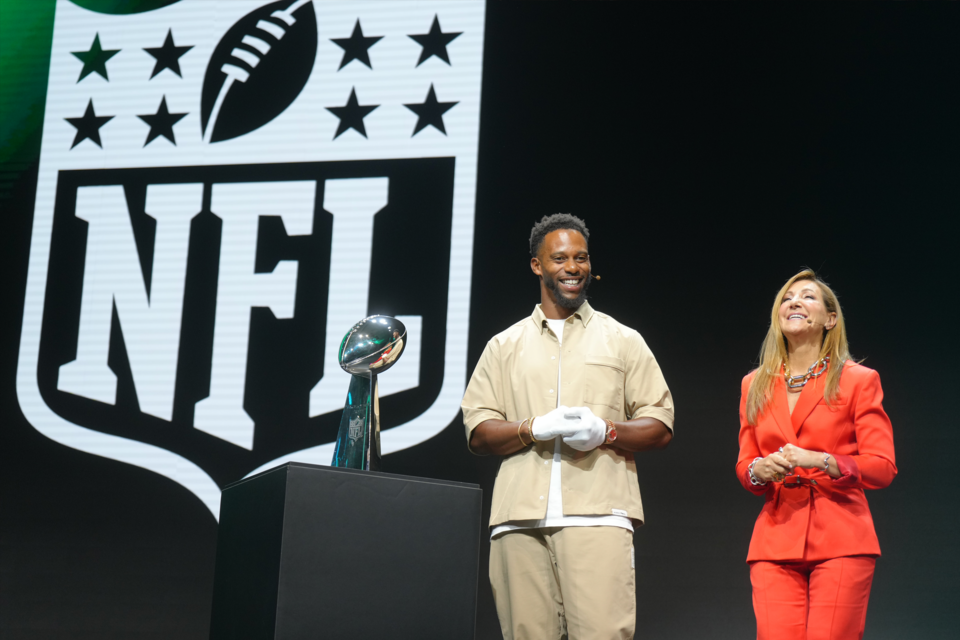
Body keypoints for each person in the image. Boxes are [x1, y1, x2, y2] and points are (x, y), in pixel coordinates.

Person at [461, 214, 674, 640]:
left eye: (580, 258)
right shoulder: (504, 345)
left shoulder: (622, 340)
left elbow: (661, 424)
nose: (572, 268)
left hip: (597, 515)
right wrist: (531, 428)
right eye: (559, 258)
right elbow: (478, 431)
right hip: (518, 519)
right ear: (537, 266)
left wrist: (606, 431)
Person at [736, 270, 897, 640]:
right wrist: (762, 468)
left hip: (841, 537)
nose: (795, 302)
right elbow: (746, 467)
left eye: (808, 297)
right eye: (788, 298)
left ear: (830, 319)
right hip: (775, 539)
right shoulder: (754, 384)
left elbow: (883, 467)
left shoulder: (859, 379)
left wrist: (822, 460)